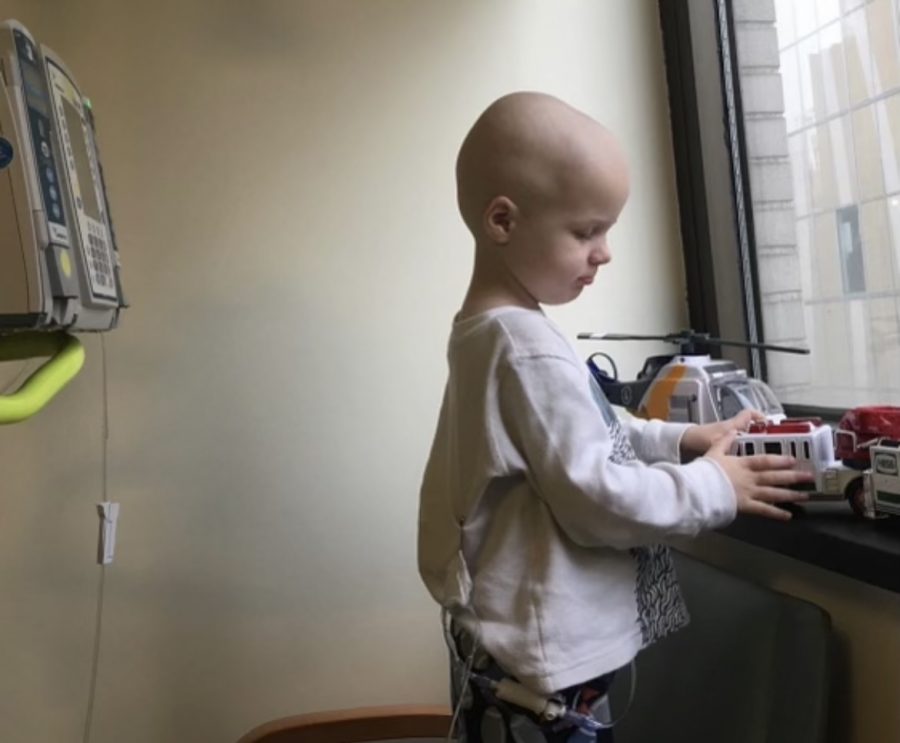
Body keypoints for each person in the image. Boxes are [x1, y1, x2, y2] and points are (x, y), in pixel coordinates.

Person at [417, 91, 811, 742]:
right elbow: (595, 495)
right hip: (542, 684)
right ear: (502, 221)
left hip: (520, 664)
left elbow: (592, 426)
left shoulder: (489, 334)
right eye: (586, 230)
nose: (604, 252)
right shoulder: (525, 348)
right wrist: (715, 485)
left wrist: (682, 436)